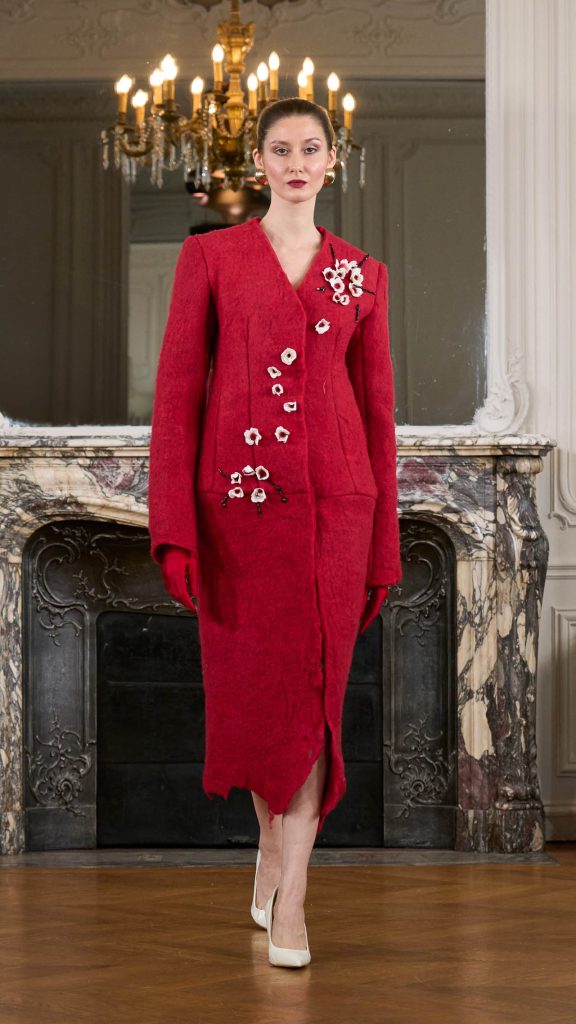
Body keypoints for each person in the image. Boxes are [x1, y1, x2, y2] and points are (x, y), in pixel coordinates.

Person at [147, 96, 402, 968]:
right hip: (240, 518)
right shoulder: (211, 258)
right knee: (260, 704)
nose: (296, 163)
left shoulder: (361, 274)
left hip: (338, 513)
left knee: (317, 702)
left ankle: (293, 897)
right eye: (281, 149)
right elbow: (177, 397)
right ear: (259, 163)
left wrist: (382, 547)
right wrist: (175, 529)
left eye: (311, 148)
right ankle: (268, 846)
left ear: (334, 160)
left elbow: (377, 417)